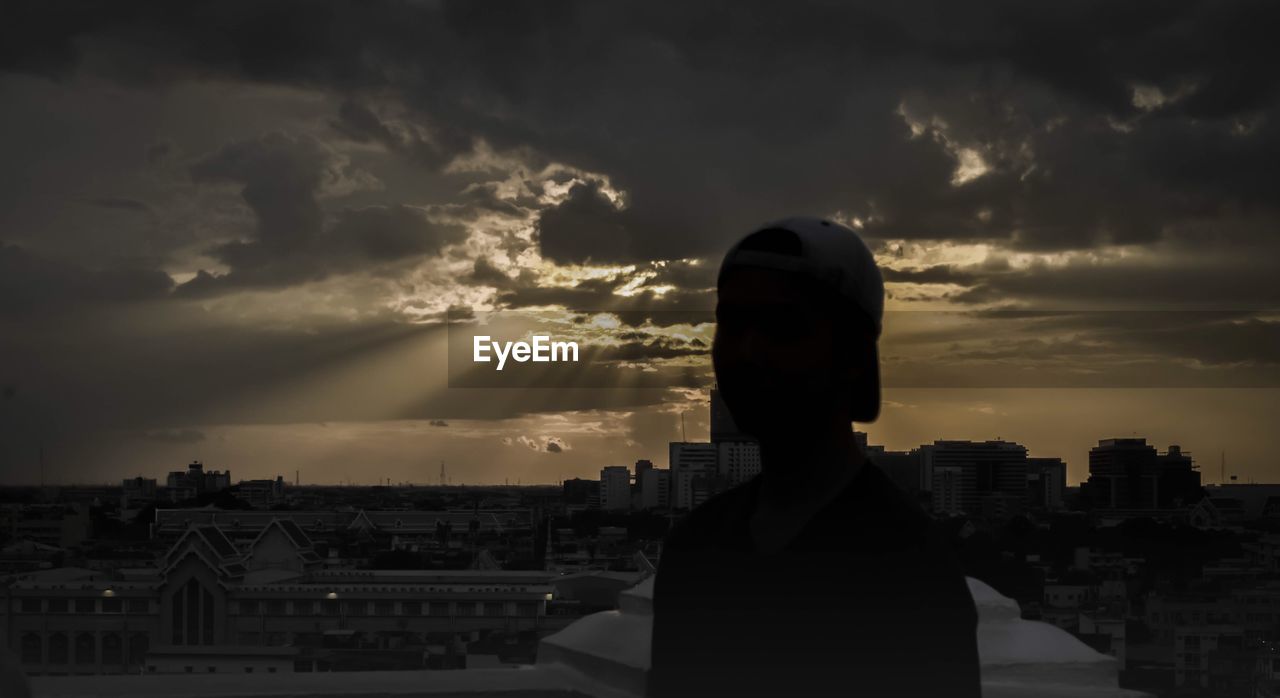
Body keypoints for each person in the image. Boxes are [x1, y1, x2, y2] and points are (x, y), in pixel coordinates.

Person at [647, 216, 982, 698]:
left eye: (781, 328)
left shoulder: (908, 573)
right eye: (732, 324)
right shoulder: (693, 549)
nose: (747, 352)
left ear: (853, 356)